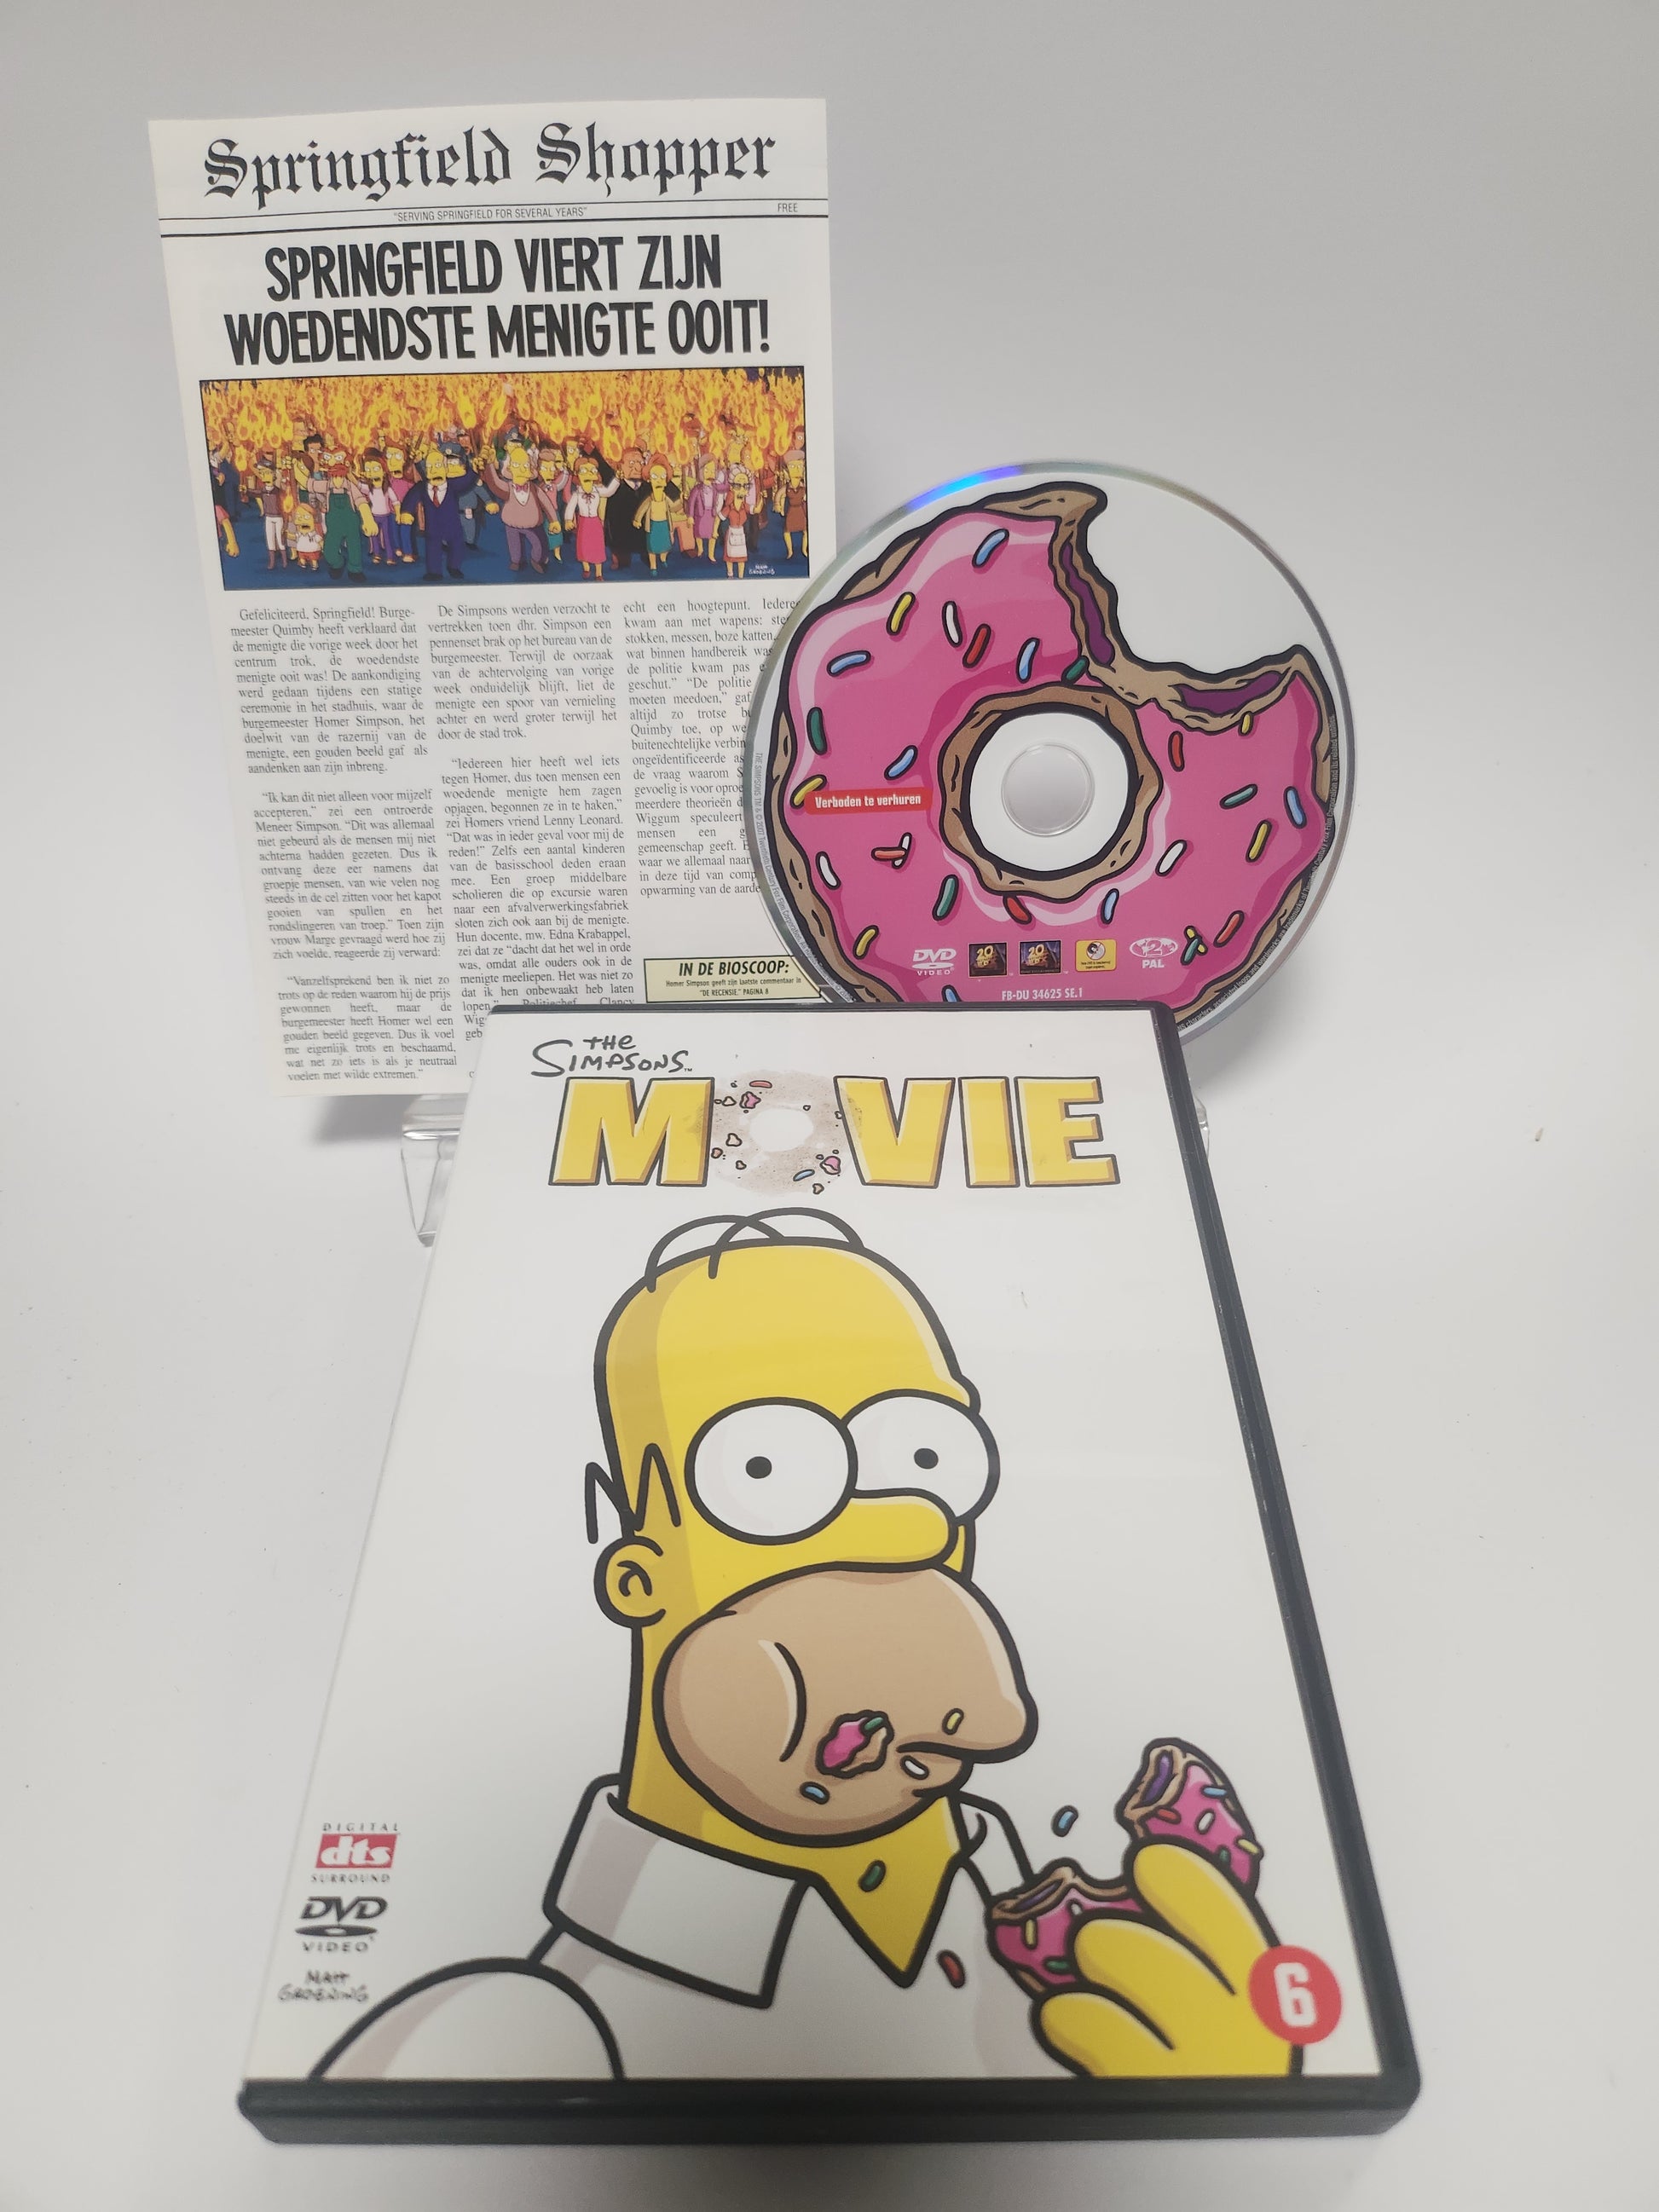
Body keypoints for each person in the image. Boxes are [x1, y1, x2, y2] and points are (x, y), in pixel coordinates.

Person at [309, 1212, 1298, 2086]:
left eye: (925, 1458)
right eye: (765, 1469)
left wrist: (1246, 2081)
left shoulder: (1035, 1900)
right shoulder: (528, 2037)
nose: (902, 1527)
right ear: (635, 1565)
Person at [482, 437, 551, 574]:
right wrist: (489, 464)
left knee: (540, 544)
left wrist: (554, 520)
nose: (521, 470)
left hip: (532, 524)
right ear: (510, 468)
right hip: (512, 522)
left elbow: (546, 503)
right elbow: (495, 484)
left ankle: (537, 560)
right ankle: (517, 561)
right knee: (514, 545)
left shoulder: (535, 489)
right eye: (517, 465)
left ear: (530, 469)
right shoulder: (508, 488)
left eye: (525, 466)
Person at [415, 446, 471, 581]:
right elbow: (412, 497)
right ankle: (434, 572)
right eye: (430, 467)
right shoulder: (424, 486)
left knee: (456, 545)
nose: (434, 470)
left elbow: (467, 481)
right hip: (433, 526)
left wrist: (475, 470)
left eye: (438, 465)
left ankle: (454, 567)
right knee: (433, 547)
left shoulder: (453, 485)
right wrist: (406, 512)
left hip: (452, 524)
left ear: (446, 468)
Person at [564, 456, 618, 580]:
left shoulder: (598, 490)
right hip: (583, 523)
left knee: (597, 547)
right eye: (584, 471)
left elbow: (610, 491)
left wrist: (617, 479)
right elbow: (570, 507)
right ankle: (586, 568)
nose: (588, 474)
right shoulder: (577, 493)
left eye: (592, 471)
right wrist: (568, 520)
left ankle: (599, 573)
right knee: (583, 546)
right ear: (577, 474)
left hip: (595, 522)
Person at [632, 459, 681, 574]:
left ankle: (663, 558)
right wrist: (637, 520)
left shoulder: (665, 498)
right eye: (655, 477)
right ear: (649, 480)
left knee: (665, 546)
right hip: (653, 526)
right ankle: (653, 566)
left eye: (662, 477)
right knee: (652, 549)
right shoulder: (649, 499)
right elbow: (642, 510)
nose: (659, 480)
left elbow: (674, 508)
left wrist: (682, 501)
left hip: (664, 525)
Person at [604, 447, 649, 570]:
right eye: (631, 463)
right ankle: (621, 557)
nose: (637, 468)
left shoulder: (648, 487)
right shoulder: (616, 488)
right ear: (620, 465)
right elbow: (612, 518)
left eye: (641, 463)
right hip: (621, 536)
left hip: (644, 535)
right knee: (622, 557)